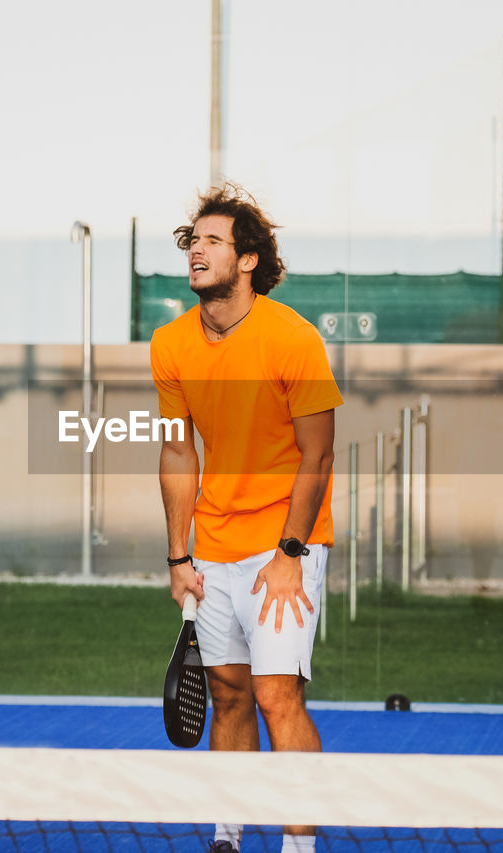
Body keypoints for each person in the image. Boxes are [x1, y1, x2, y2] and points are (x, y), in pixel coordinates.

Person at [151, 183, 343, 853]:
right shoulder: (170, 344)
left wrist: (290, 551)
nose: (196, 251)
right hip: (215, 549)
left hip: (283, 548)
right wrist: (180, 556)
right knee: (228, 694)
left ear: (249, 259)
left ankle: (298, 847)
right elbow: (177, 448)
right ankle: (227, 837)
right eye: (191, 241)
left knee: (274, 695)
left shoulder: (293, 337)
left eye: (211, 241)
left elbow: (318, 453)